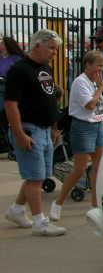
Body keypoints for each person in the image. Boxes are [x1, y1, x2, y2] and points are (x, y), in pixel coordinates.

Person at [4, 29, 66, 236]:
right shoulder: (19, 70)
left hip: (45, 130)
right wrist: (19, 133)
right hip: (29, 129)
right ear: (37, 45)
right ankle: (40, 222)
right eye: (51, 48)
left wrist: (54, 128)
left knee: (37, 175)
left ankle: (17, 210)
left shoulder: (45, 68)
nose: (54, 52)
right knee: (35, 178)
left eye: (56, 49)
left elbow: (50, 99)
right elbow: (11, 104)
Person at [49, 50, 103, 221]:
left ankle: (95, 205)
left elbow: (98, 105)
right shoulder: (80, 82)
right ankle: (58, 203)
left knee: (98, 166)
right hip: (83, 127)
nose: (101, 70)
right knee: (79, 169)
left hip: (97, 125)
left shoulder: (94, 82)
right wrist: (100, 89)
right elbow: (89, 105)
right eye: (98, 66)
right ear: (88, 64)